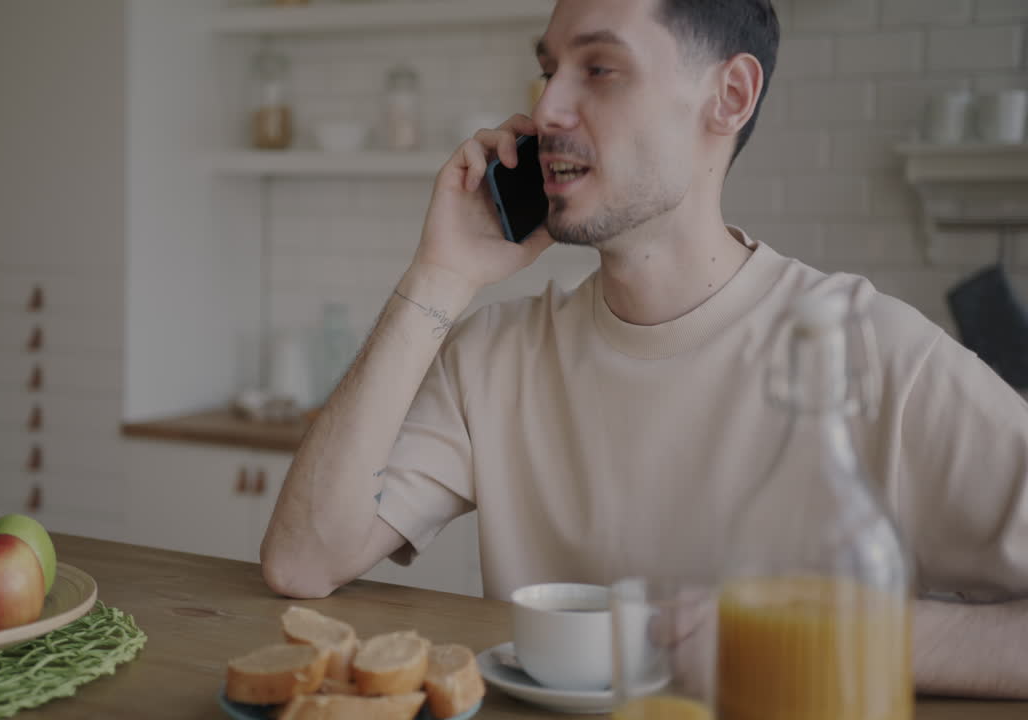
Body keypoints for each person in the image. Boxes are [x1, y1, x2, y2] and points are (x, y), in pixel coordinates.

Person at [260, 0, 1028, 698]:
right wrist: (440, 273)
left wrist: (830, 631)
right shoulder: (493, 356)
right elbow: (302, 560)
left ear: (728, 98)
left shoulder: (875, 353)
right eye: (546, 70)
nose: (547, 107)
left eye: (598, 69)